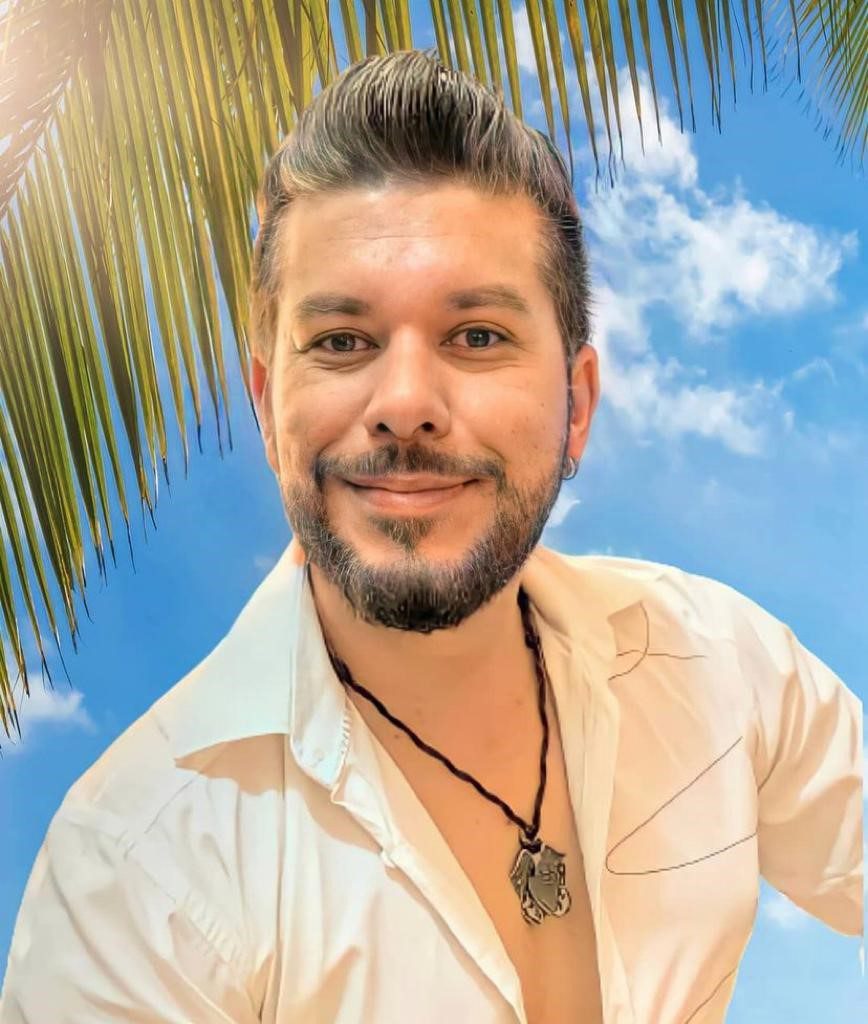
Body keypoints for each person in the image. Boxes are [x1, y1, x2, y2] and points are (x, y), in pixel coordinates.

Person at [1, 49, 862, 1024]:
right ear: (267, 406)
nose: (405, 402)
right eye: (342, 342)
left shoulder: (719, 663)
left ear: (576, 406)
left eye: (477, 336)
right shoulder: (134, 874)